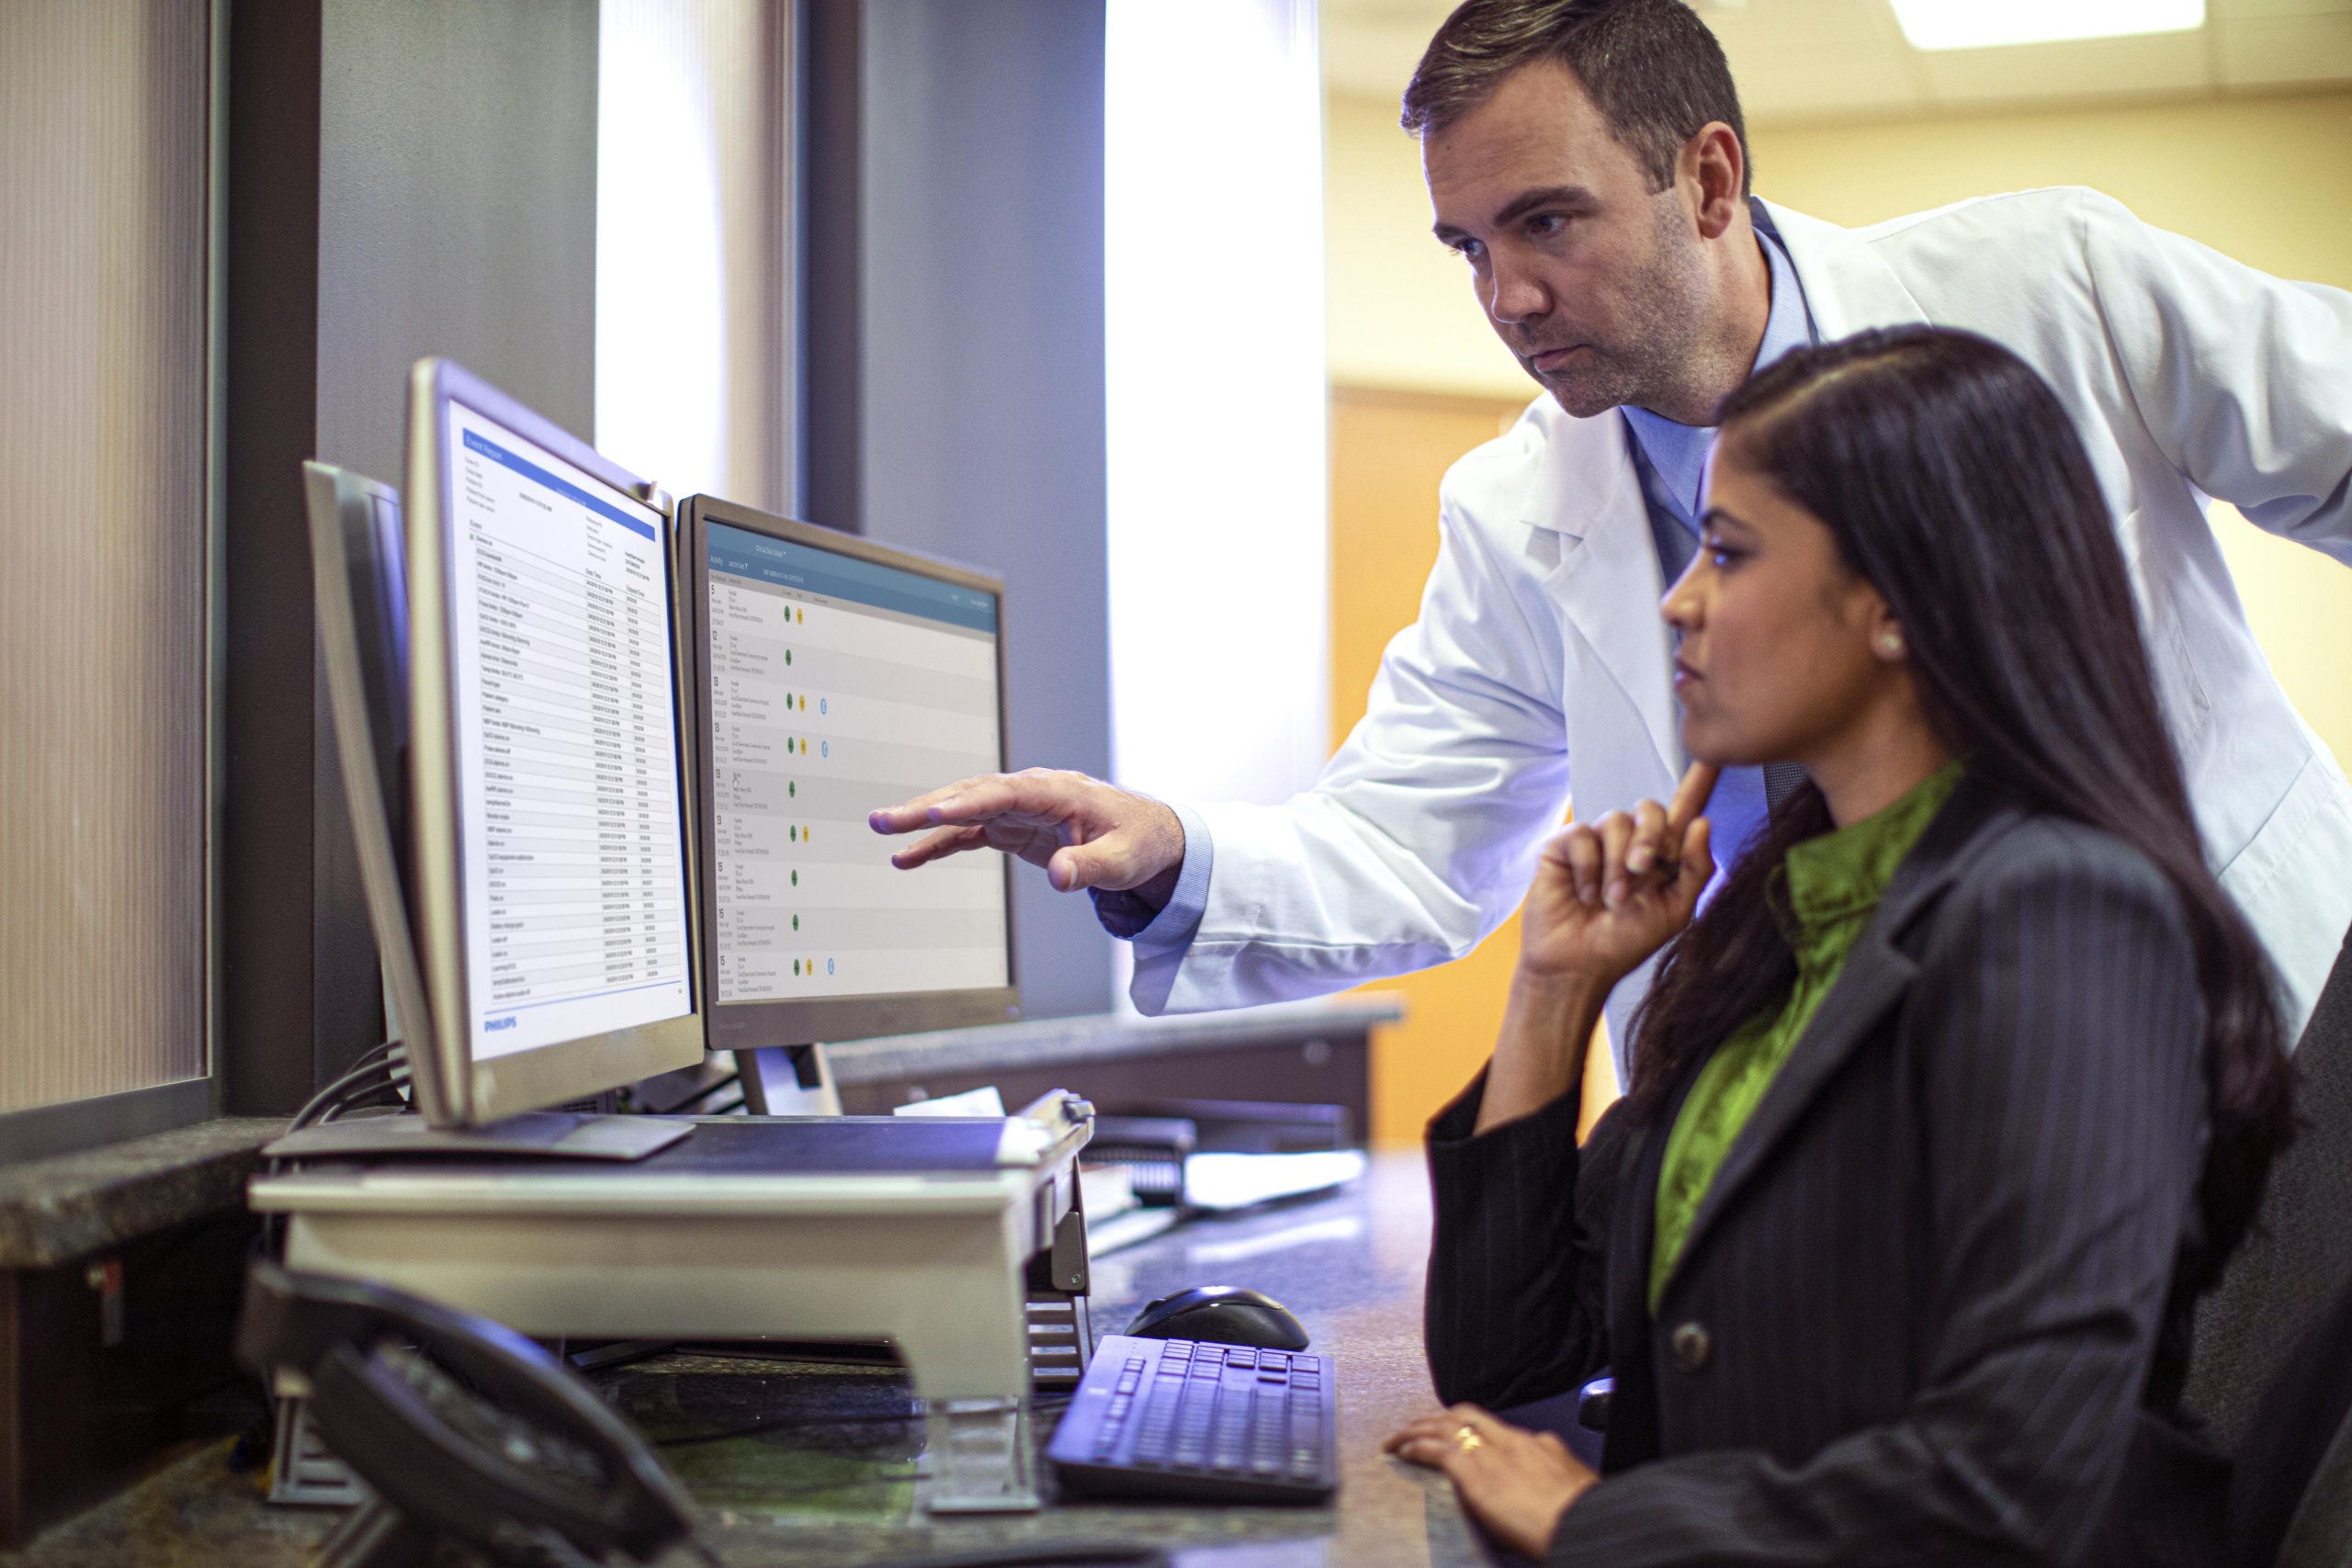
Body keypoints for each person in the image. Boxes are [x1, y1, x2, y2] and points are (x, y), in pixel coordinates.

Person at [869, 0, 2352, 1060]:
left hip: (2227, 1019)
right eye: (1468, 246)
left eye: (1548, 222)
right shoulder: (1514, 511)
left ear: (1707, 179)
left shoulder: (2050, 284)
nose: (1504, 298)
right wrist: (1170, 852)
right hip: (1823, 1125)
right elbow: (1409, 843)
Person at [1379, 325, 2296, 1564]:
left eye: (1727, 552)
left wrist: (1602, 1523)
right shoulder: (1791, 918)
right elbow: (1510, 1360)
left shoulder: (2065, 914)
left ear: (1897, 603)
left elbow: (2014, 1474)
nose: (1679, 602)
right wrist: (1554, 988)